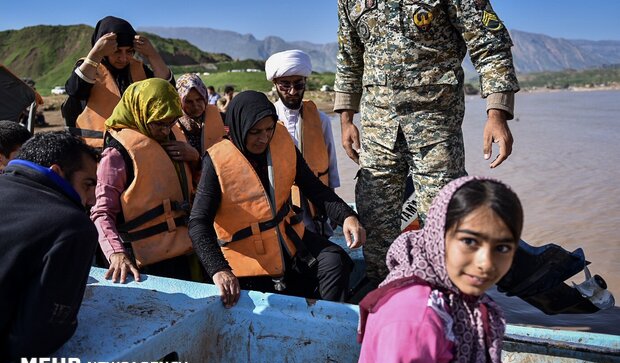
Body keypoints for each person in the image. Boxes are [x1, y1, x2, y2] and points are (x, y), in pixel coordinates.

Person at [334, 0, 520, 285]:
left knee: (443, 219)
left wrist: (497, 113)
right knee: (374, 220)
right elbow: (349, 58)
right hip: (377, 129)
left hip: (436, 126)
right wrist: (346, 119)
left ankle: (441, 296)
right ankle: (387, 297)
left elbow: (489, 45)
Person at [347, 176, 562, 363]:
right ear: (440, 235)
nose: (486, 263)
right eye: (470, 241)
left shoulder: (452, 288)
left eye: (502, 248)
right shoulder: (415, 318)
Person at [189, 91, 366, 308]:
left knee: (333, 261)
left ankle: (324, 321)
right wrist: (219, 269)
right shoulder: (215, 162)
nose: (263, 138)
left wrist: (347, 216)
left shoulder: (281, 143)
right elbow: (198, 223)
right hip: (245, 254)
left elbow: (315, 189)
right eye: (255, 132)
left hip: (287, 238)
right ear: (238, 126)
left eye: (268, 129)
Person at [0, 132, 99, 363]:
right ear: (57, 173)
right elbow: (34, 342)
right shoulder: (72, 226)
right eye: (88, 184)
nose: (93, 199)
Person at [90, 78, 201, 284]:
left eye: (171, 123)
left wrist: (195, 158)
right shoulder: (116, 154)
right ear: (140, 112)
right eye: (159, 123)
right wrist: (116, 253)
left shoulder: (175, 140)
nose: (166, 130)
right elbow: (101, 212)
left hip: (184, 251)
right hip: (143, 263)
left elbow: (194, 187)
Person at [64, 16, 173, 148]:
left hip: (137, 147)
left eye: (129, 52)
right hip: (96, 150)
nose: (123, 58)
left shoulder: (138, 68)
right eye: (117, 51)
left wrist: (152, 55)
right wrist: (96, 54)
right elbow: (75, 89)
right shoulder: (89, 67)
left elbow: (168, 90)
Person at [265, 49, 341, 237]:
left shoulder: (321, 120)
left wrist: (331, 205)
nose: (292, 92)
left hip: (315, 200)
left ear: (305, 83)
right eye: (285, 85)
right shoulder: (268, 121)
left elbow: (330, 164)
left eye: (298, 85)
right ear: (275, 84)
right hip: (282, 201)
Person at [176, 74, 227, 156]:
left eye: (199, 99)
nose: (195, 106)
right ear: (180, 102)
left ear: (205, 97)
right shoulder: (171, 125)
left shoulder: (222, 119)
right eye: (189, 101)